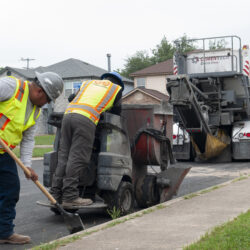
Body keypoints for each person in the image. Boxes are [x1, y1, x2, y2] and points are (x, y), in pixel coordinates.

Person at [0, 72, 64, 245]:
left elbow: (27, 139)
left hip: (3, 153)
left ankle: (4, 232)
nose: (47, 104)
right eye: (48, 100)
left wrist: (27, 165)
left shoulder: (35, 111)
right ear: (40, 92)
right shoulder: (10, 87)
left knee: (11, 189)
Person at [50, 72, 124, 207]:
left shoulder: (88, 84)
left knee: (64, 157)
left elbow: (72, 97)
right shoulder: (116, 90)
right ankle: (70, 196)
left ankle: (55, 194)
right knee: (78, 158)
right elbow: (116, 113)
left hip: (68, 116)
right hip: (85, 119)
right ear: (119, 83)